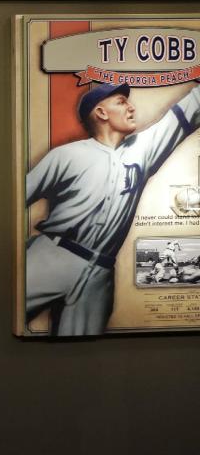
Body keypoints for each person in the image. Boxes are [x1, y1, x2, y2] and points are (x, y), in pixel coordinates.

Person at [25, 82, 200, 335]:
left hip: (100, 274)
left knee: (80, 357)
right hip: (53, 255)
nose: (131, 108)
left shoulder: (141, 150)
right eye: (121, 102)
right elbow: (12, 202)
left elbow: (189, 108)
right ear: (101, 113)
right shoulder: (66, 155)